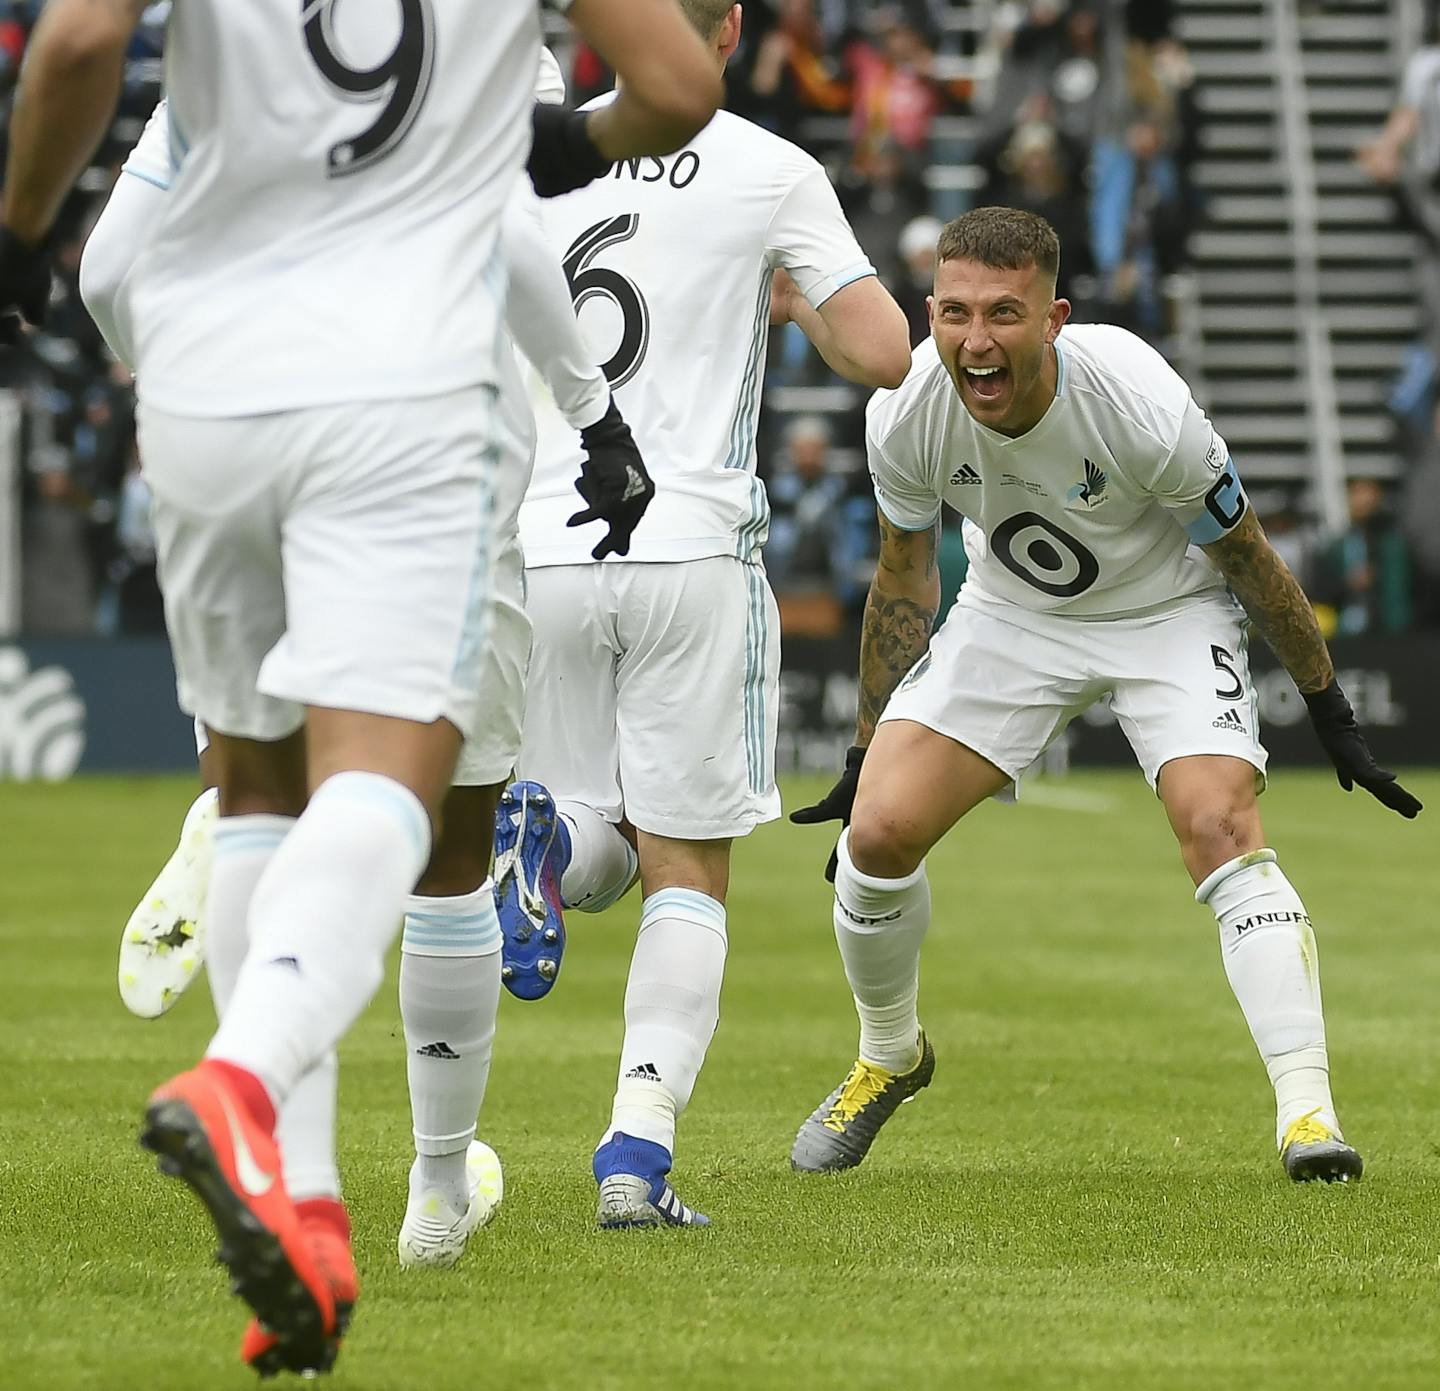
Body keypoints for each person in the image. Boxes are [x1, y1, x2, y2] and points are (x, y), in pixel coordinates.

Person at [0, 0, 721, 1375]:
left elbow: (91, 132)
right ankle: (284, 1095)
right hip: (414, 409)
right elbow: (659, 96)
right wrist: (594, 399)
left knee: (257, 790)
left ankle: (310, 1209)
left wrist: (16, 236)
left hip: (210, 401)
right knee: (423, 799)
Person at [788, 206, 1421, 1189]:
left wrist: (1328, 705)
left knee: (1217, 821)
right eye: (955, 313)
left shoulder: (1141, 406)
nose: (977, 340)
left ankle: (1308, 1112)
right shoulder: (904, 407)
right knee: (874, 837)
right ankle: (889, 1055)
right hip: (1011, 615)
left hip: (1167, 612)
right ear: (930, 310)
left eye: (1005, 313)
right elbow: (904, 576)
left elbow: (1248, 555)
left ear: (1055, 318)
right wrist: (865, 749)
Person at [493, 0, 911, 1232]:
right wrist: (791, 299)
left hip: (541, 542)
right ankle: (636, 1152)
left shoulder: (527, 147)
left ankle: (548, 847)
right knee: (689, 867)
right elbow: (885, 350)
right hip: (689, 541)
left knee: (588, 823)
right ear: (726, 26)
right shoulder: (767, 166)